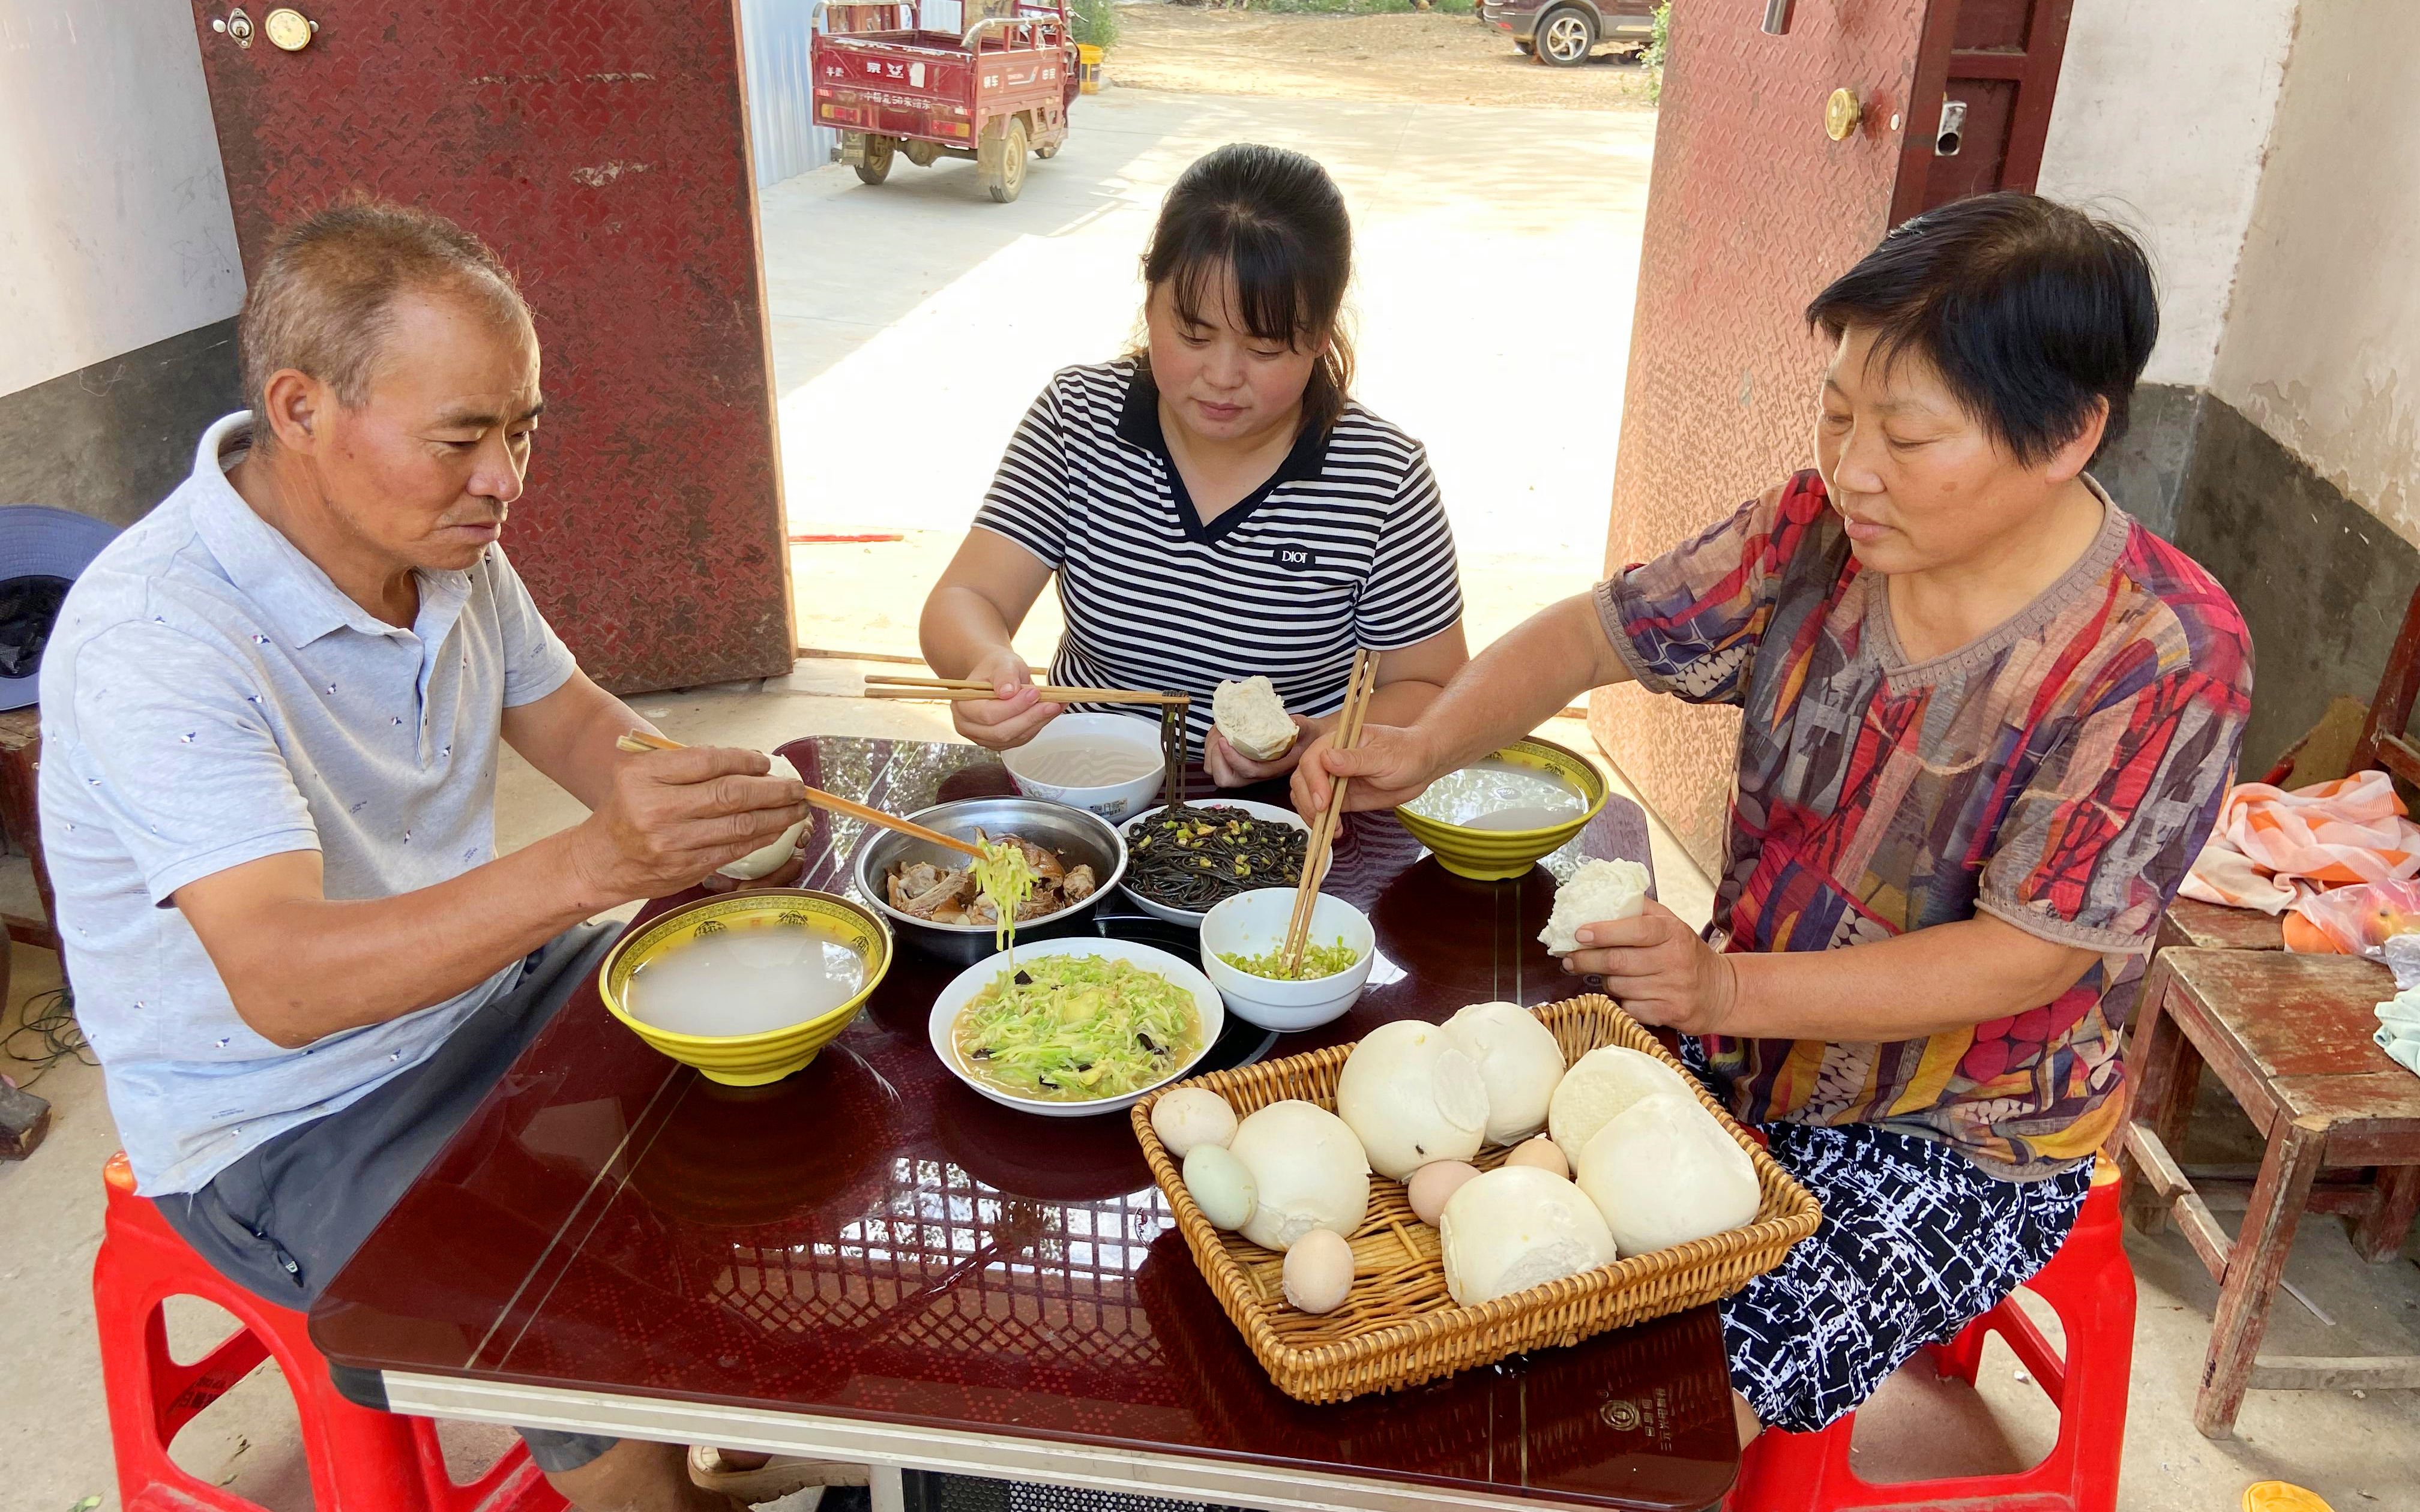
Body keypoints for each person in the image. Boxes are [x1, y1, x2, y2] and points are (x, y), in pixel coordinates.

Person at [1295, 193, 2253, 1440]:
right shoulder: (1818, 534)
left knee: (1659, 1410)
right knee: (1458, 1227)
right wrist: (1423, 744)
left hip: (1959, 1139)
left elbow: (2033, 956)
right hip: (1743, 1049)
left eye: (1905, 436)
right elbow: (1601, 632)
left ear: (2070, 432)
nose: (1851, 468)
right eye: (1838, 413)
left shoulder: (2163, 654)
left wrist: (1722, 993)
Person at [41, 200, 827, 1511]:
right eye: (463, 438)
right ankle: (656, 1471)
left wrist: (699, 800)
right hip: (284, 1121)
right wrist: (593, 866)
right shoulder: (156, 637)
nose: (505, 480)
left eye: (520, 432)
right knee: (563, 1307)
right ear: (300, 411)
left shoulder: (449, 550)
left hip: (478, 1001)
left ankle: (723, 1416)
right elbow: (283, 983)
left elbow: (574, 721)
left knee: (777, 1064)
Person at [919, 143, 1469, 788]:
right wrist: (984, 663)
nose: (1223, 377)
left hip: (1288, 810)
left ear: (1321, 335)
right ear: (1150, 303)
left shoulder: (1382, 476)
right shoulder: (1079, 418)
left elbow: (1432, 685)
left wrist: (1317, 740)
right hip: (1086, 788)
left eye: (1265, 347)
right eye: (1194, 335)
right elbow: (966, 596)